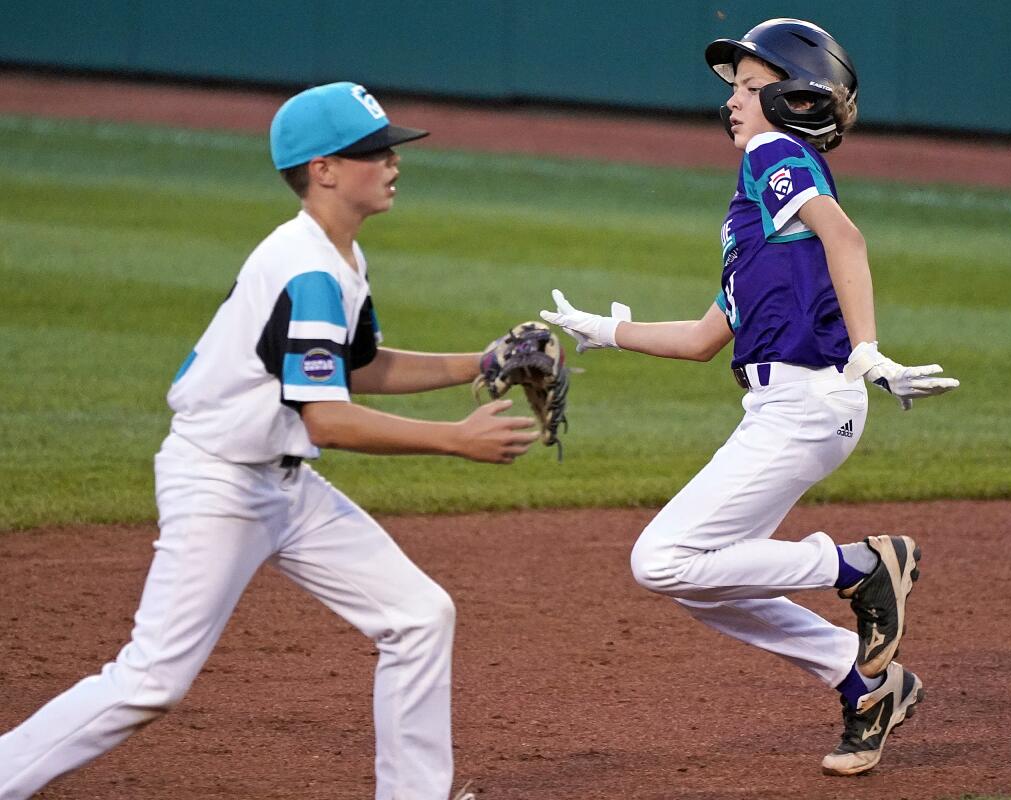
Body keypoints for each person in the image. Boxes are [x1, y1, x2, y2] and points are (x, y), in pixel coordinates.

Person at [0, 82, 532, 800]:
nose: (392, 162)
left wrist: (481, 362)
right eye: (372, 151)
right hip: (220, 482)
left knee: (417, 616)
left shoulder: (336, 256)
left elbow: (359, 367)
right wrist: (454, 440)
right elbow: (328, 419)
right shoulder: (306, 269)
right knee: (152, 680)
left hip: (283, 484)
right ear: (324, 169)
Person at [540, 19, 959, 776]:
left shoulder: (775, 155)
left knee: (660, 559)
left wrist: (867, 349)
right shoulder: (757, 215)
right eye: (733, 87)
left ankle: (860, 567)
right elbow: (707, 337)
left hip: (805, 404)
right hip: (788, 409)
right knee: (709, 583)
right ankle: (866, 684)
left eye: (749, 86)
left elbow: (849, 241)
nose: (732, 100)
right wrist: (606, 330)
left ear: (794, 97)